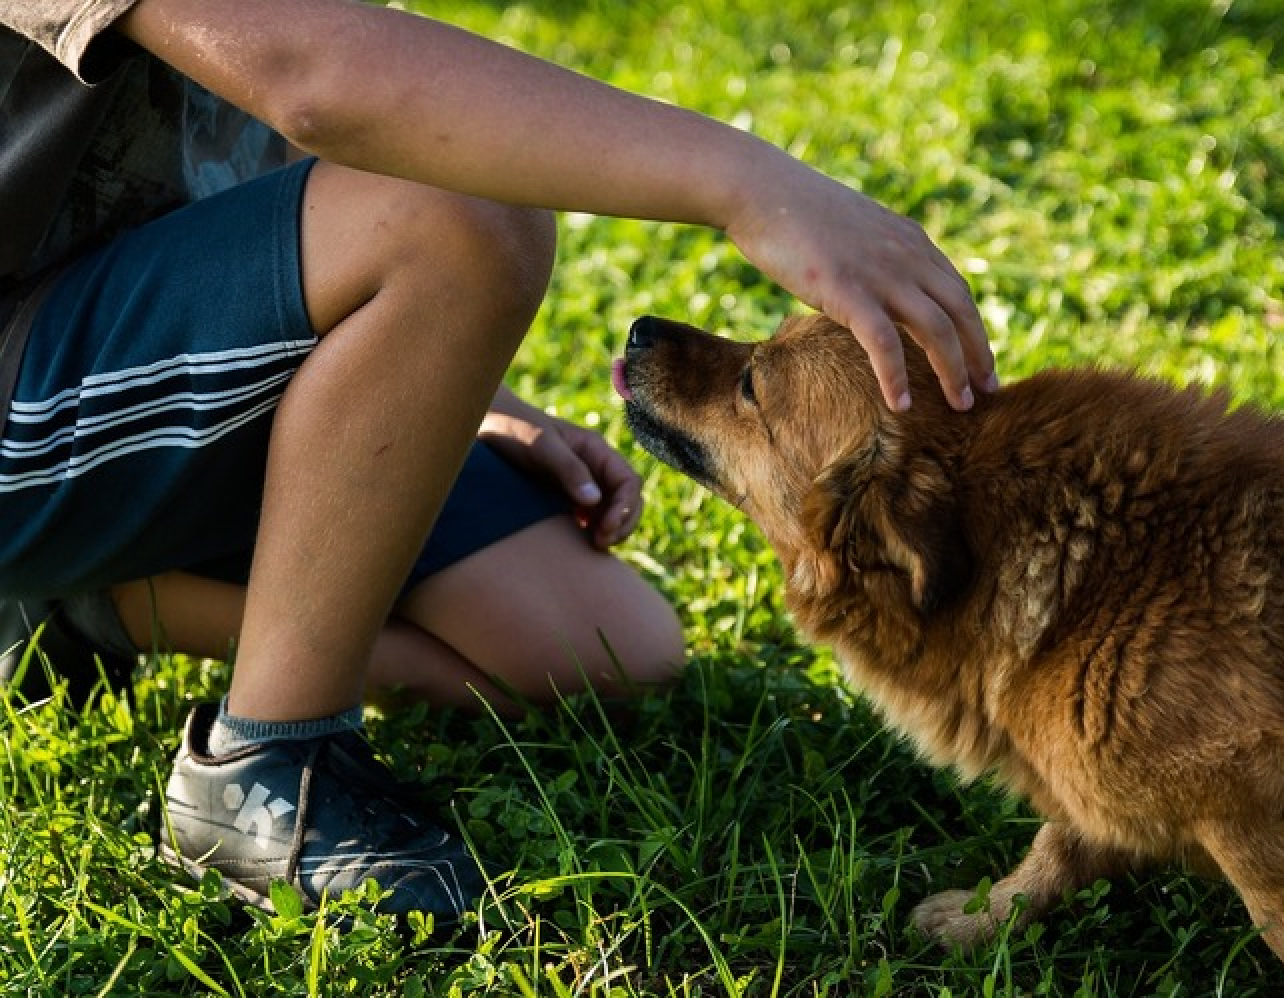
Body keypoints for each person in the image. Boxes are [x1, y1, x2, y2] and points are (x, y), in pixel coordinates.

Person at [0, 0, 996, 923]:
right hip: (20, 381)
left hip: (133, 345)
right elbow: (313, 78)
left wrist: (439, 382)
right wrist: (754, 185)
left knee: (600, 648)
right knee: (464, 213)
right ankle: (265, 765)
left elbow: (255, 146)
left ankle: (88, 603)